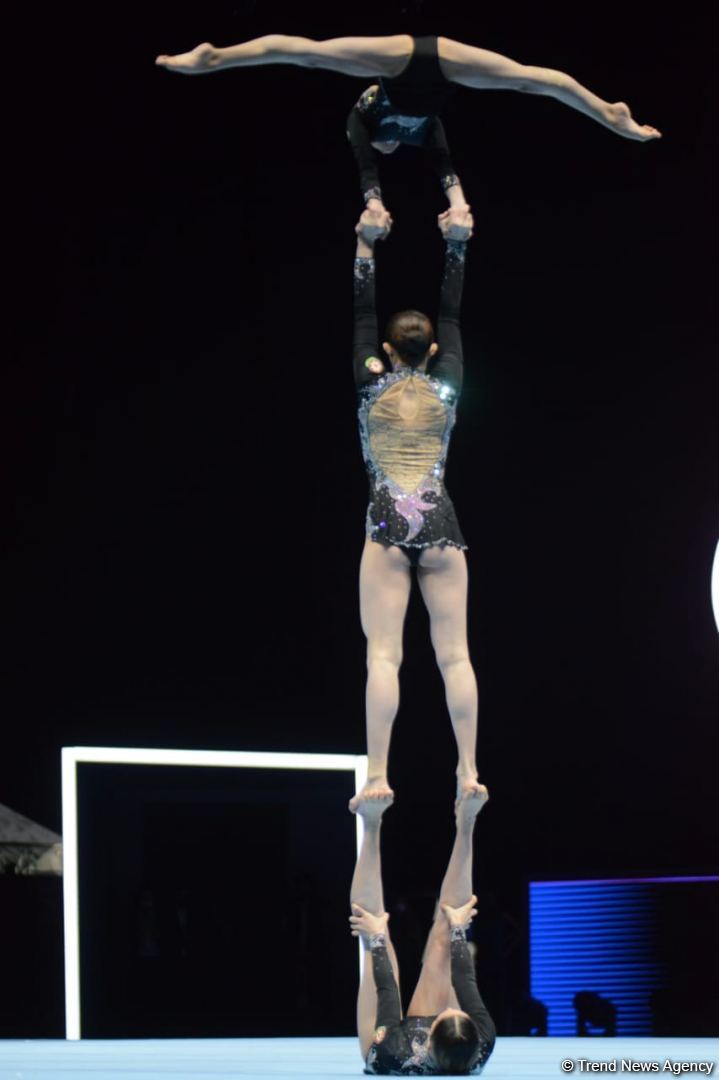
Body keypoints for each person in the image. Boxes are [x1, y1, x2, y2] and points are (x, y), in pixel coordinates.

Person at [155, 34, 661, 218]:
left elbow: (364, 165)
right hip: (444, 69)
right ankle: (608, 111)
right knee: (530, 82)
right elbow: (445, 165)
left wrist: (374, 201)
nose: (391, 146)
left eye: (388, 145)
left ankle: (215, 57)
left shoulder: (360, 121)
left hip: (399, 63)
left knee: (309, 55)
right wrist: (457, 204)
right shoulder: (423, 133)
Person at [350, 202, 478, 809]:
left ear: (385, 349)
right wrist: (457, 245)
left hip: (385, 524)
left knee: (383, 655)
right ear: (432, 351)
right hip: (440, 523)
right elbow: (451, 314)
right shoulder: (447, 380)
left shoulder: (369, 378)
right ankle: (467, 770)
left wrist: (365, 244)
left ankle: (378, 773)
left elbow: (361, 312)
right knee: (455, 655)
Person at [349, 787, 495, 1075]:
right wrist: (458, 929)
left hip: (385, 1040)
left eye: (445, 1015)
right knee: (446, 929)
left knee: (371, 925)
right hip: (445, 1040)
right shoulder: (483, 1039)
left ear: (430, 1038)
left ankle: (371, 822)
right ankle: (467, 822)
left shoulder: (392, 1051)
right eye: (458, 1013)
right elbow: (465, 982)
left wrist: (376, 937)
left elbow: (388, 992)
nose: (450, 1008)